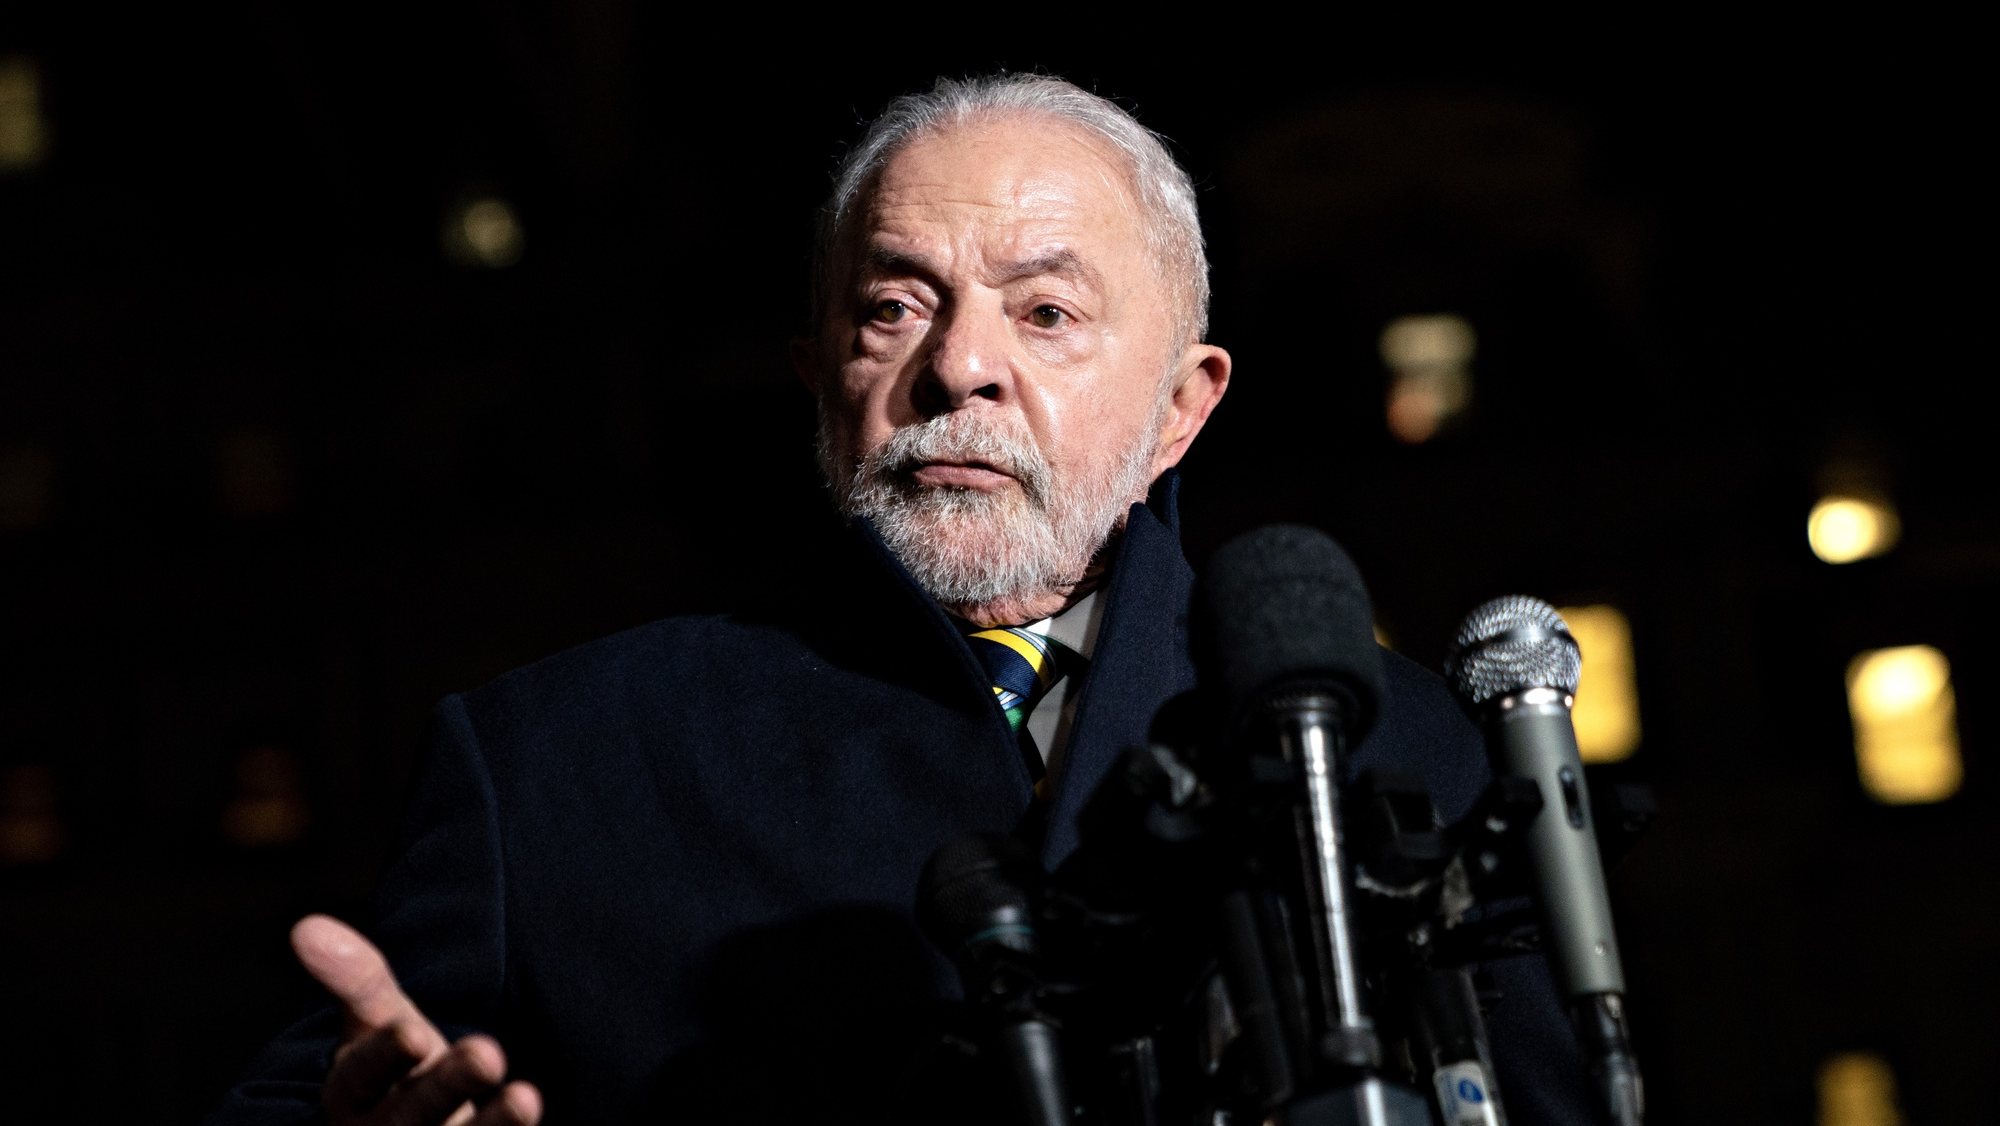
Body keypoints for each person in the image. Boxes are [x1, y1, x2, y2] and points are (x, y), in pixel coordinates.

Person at [206, 72, 1598, 1125]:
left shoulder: (1405, 749)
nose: (960, 369)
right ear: (820, 379)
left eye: (1044, 312)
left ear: (1184, 406)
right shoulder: (552, 763)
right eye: (895, 308)